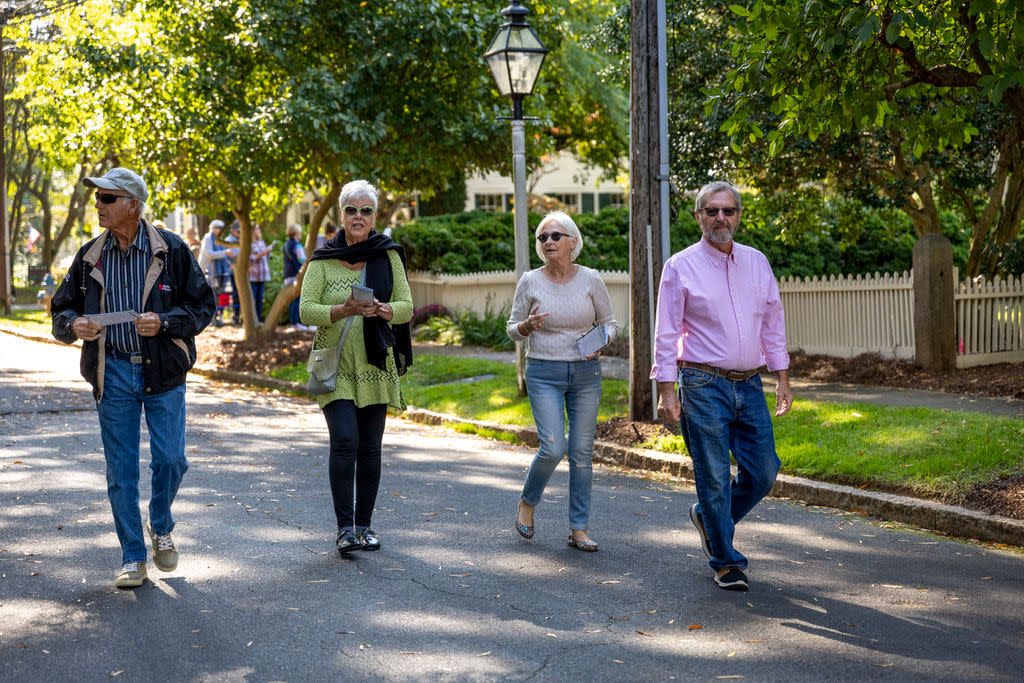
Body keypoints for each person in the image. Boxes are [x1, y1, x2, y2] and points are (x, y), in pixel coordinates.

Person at [49, 167, 216, 589]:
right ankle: (132, 557)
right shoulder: (90, 256)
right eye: (98, 198)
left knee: (171, 460)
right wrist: (75, 327)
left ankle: (160, 525)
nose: (98, 206)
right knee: (121, 471)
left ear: (132, 205)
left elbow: (202, 308)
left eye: (106, 198)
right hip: (114, 371)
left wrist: (163, 322)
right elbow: (60, 312)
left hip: (163, 370)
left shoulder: (172, 250)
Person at [651, 180, 793, 592]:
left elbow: (773, 323)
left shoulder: (757, 262)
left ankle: (708, 517)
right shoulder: (680, 266)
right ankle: (726, 560)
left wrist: (782, 378)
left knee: (764, 472)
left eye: (727, 211)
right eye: (711, 211)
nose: (720, 218)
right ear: (698, 217)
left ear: (739, 216)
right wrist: (665, 390)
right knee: (712, 476)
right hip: (701, 383)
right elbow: (666, 333)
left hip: (749, 385)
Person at [300, 179, 413, 555]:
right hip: (334, 366)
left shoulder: (387, 255)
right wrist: (343, 310)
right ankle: (344, 528)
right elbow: (304, 310)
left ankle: (365, 526)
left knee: (370, 448)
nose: (359, 217)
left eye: (366, 210)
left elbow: (406, 306)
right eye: (352, 210)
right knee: (344, 441)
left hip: (374, 363)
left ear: (375, 216)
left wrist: (384, 310)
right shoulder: (324, 258)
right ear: (341, 214)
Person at [507, 211, 618, 552]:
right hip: (544, 371)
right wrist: (527, 327)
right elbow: (512, 328)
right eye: (543, 238)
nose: (549, 242)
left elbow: (610, 323)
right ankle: (528, 502)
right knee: (553, 447)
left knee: (582, 453)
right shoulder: (530, 281)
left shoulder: (590, 279)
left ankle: (579, 529)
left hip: (586, 374)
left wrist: (600, 340)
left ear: (573, 241)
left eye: (556, 236)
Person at [283, 223, 307, 330]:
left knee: (291, 299)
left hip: (287, 274)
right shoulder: (297, 245)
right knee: (297, 299)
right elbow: (302, 259)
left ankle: (293, 323)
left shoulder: (286, 244)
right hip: (296, 273)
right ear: (297, 233)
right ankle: (295, 323)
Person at [248, 224, 273, 323]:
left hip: (262, 274)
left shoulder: (262, 242)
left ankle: (258, 320)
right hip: (253, 275)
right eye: (257, 228)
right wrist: (264, 252)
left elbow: (266, 258)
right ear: (253, 231)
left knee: (259, 299)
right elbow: (251, 258)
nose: (259, 230)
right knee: (253, 299)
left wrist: (268, 252)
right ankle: (251, 321)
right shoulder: (249, 244)